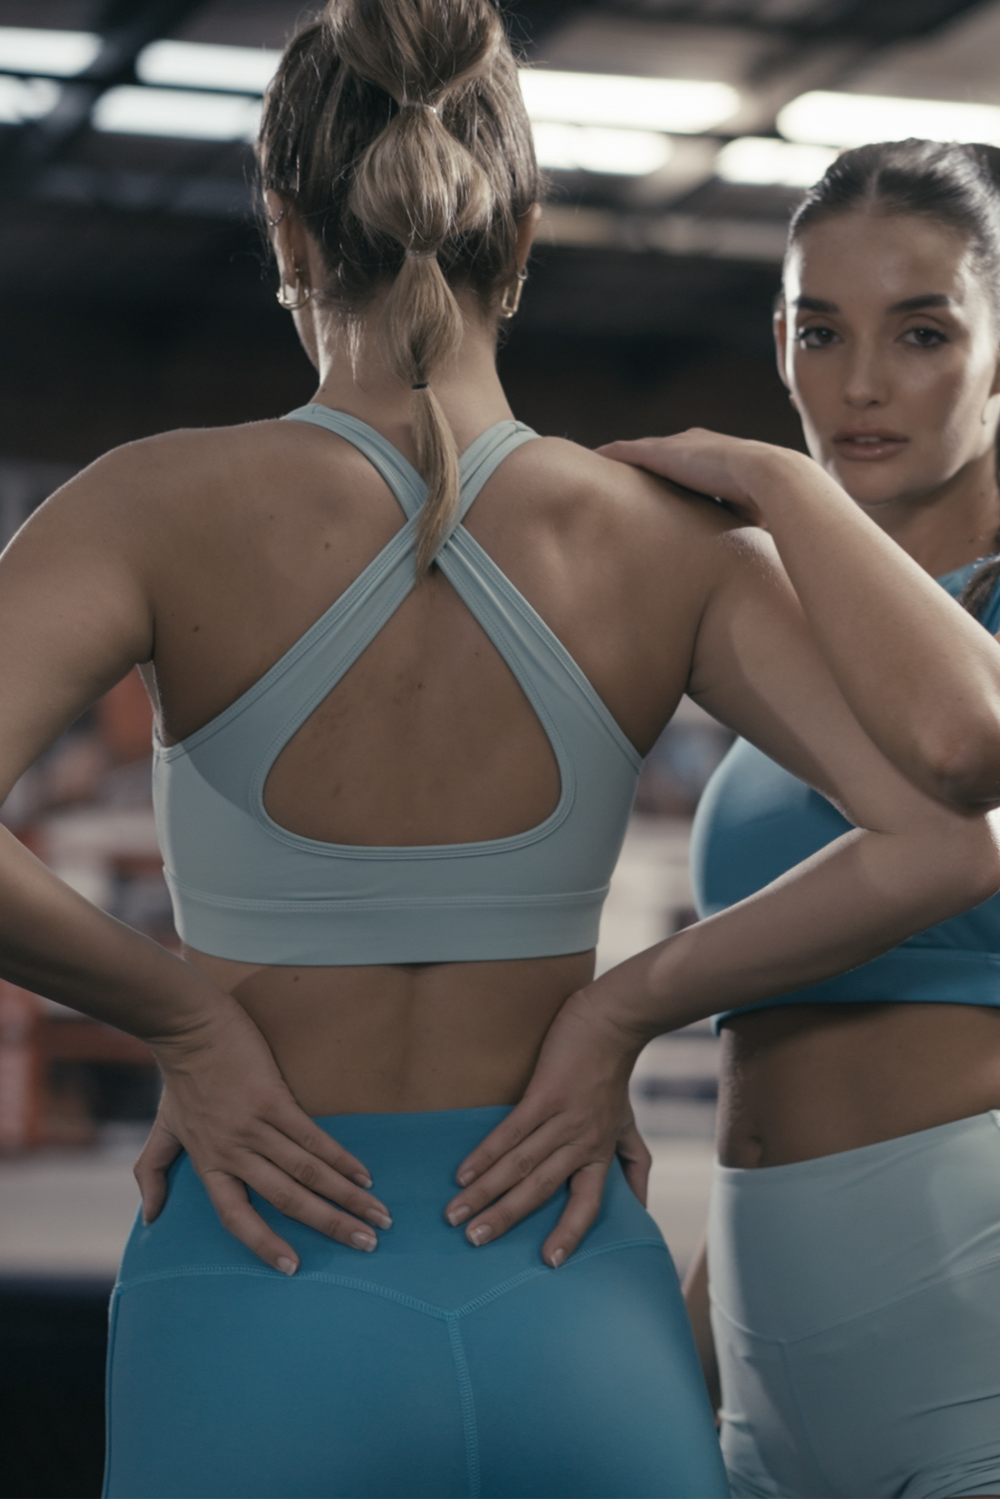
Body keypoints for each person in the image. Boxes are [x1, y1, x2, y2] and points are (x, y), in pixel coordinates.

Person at [2, 5, 1000, 1485]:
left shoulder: (148, 507)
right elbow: (947, 834)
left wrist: (188, 1023)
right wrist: (622, 1011)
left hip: (258, 1271)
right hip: (570, 1284)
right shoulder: (668, 545)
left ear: (287, 226)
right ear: (519, 232)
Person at [556, 138, 1000, 1499]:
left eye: (922, 332)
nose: (860, 384)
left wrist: (781, 483)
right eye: (822, 332)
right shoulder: (793, 646)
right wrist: (711, 1341)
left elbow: (961, 746)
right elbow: (776, 1052)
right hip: (769, 1339)